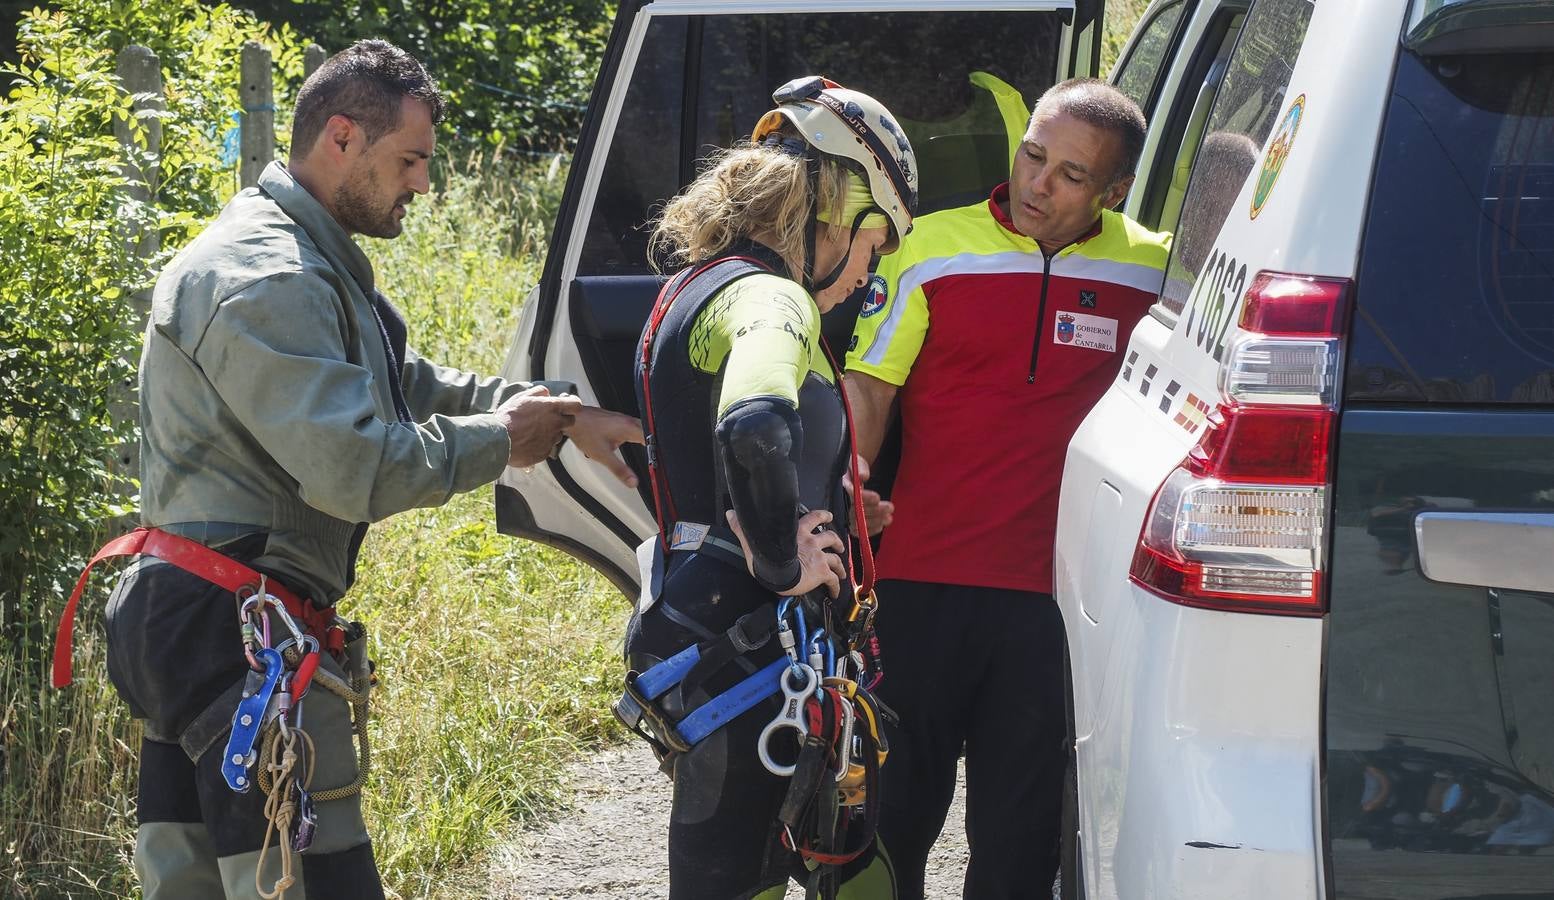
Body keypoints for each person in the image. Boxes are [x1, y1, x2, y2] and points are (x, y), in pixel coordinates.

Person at [52, 40, 642, 899]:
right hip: (234, 631)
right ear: (340, 137)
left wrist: (554, 412)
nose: (423, 185)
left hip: (202, 625)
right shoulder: (268, 274)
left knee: (198, 888)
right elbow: (355, 467)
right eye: (410, 160)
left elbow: (406, 386)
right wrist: (497, 442)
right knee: (317, 885)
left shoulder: (306, 260)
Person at [842, 77, 1171, 898]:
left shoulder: (1156, 271)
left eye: (1070, 175)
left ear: (1114, 189)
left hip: (1057, 603)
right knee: (889, 823)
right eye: (1033, 156)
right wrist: (843, 519)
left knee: (1022, 842)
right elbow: (869, 391)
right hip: (918, 581)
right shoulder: (929, 246)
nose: (1037, 184)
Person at [616, 76, 916, 899]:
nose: (868, 273)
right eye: (877, 243)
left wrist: (825, 503)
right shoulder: (771, 296)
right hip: (750, 651)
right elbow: (751, 427)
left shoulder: (698, 286)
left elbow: (720, 456)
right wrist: (783, 558)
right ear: (840, 210)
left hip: (714, 635)